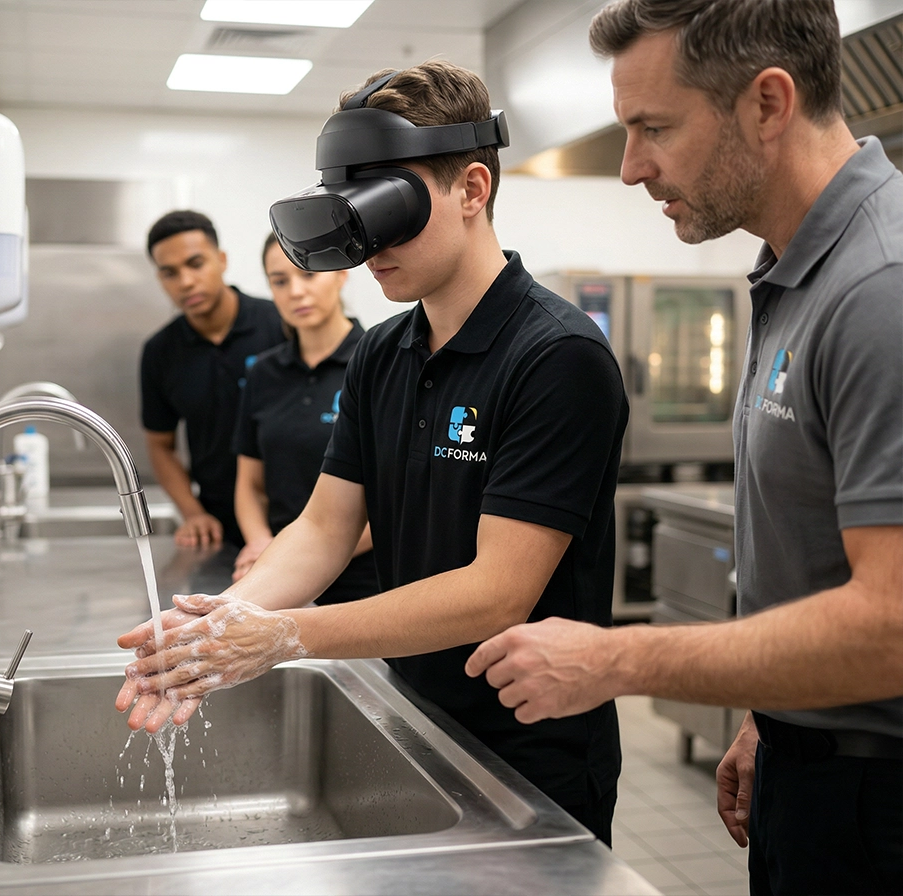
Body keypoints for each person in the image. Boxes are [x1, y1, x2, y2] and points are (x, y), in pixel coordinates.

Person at [117, 60, 630, 845]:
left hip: (532, 752)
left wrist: (286, 636)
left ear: (472, 189)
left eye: (390, 212)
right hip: (416, 719)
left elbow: (497, 592)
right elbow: (325, 529)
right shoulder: (382, 354)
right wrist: (225, 621)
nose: (368, 249)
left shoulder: (556, 357)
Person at [462, 2, 903, 894]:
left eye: (654, 127)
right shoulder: (795, 271)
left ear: (768, 103)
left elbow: (892, 624)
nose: (631, 167)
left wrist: (617, 658)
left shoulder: (880, 289)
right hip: (812, 763)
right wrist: (771, 716)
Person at [231, 234, 377, 603]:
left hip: (363, 584)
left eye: (308, 274)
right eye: (280, 281)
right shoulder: (263, 373)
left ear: (341, 273)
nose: (295, 291)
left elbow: (397, 498)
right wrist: (261, 544)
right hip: (280, 578)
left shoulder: (379, 364)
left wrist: (291, 560)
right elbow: (250, 484)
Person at [140, 210, 286, 548]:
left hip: (294, 515)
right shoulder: (160, 352)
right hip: (219, 526)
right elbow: (160, 445)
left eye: (196, 264)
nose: (185, 282)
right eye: (170, 273)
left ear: (221, 260)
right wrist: (192, 513)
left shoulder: (280, 324)